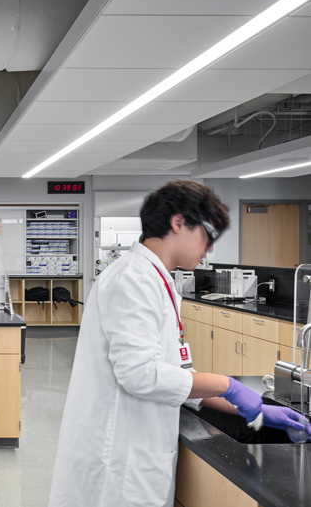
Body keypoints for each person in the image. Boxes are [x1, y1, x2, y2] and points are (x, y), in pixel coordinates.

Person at [48, 180, 311, 507]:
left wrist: (253, 408)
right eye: (209, 236)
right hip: (117, 459)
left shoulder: (157, 280)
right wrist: (228, 385)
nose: (210, 248)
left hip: (134, 448)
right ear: (178, 222)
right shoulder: (133, 279)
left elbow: (176, 374)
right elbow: (142, 375)